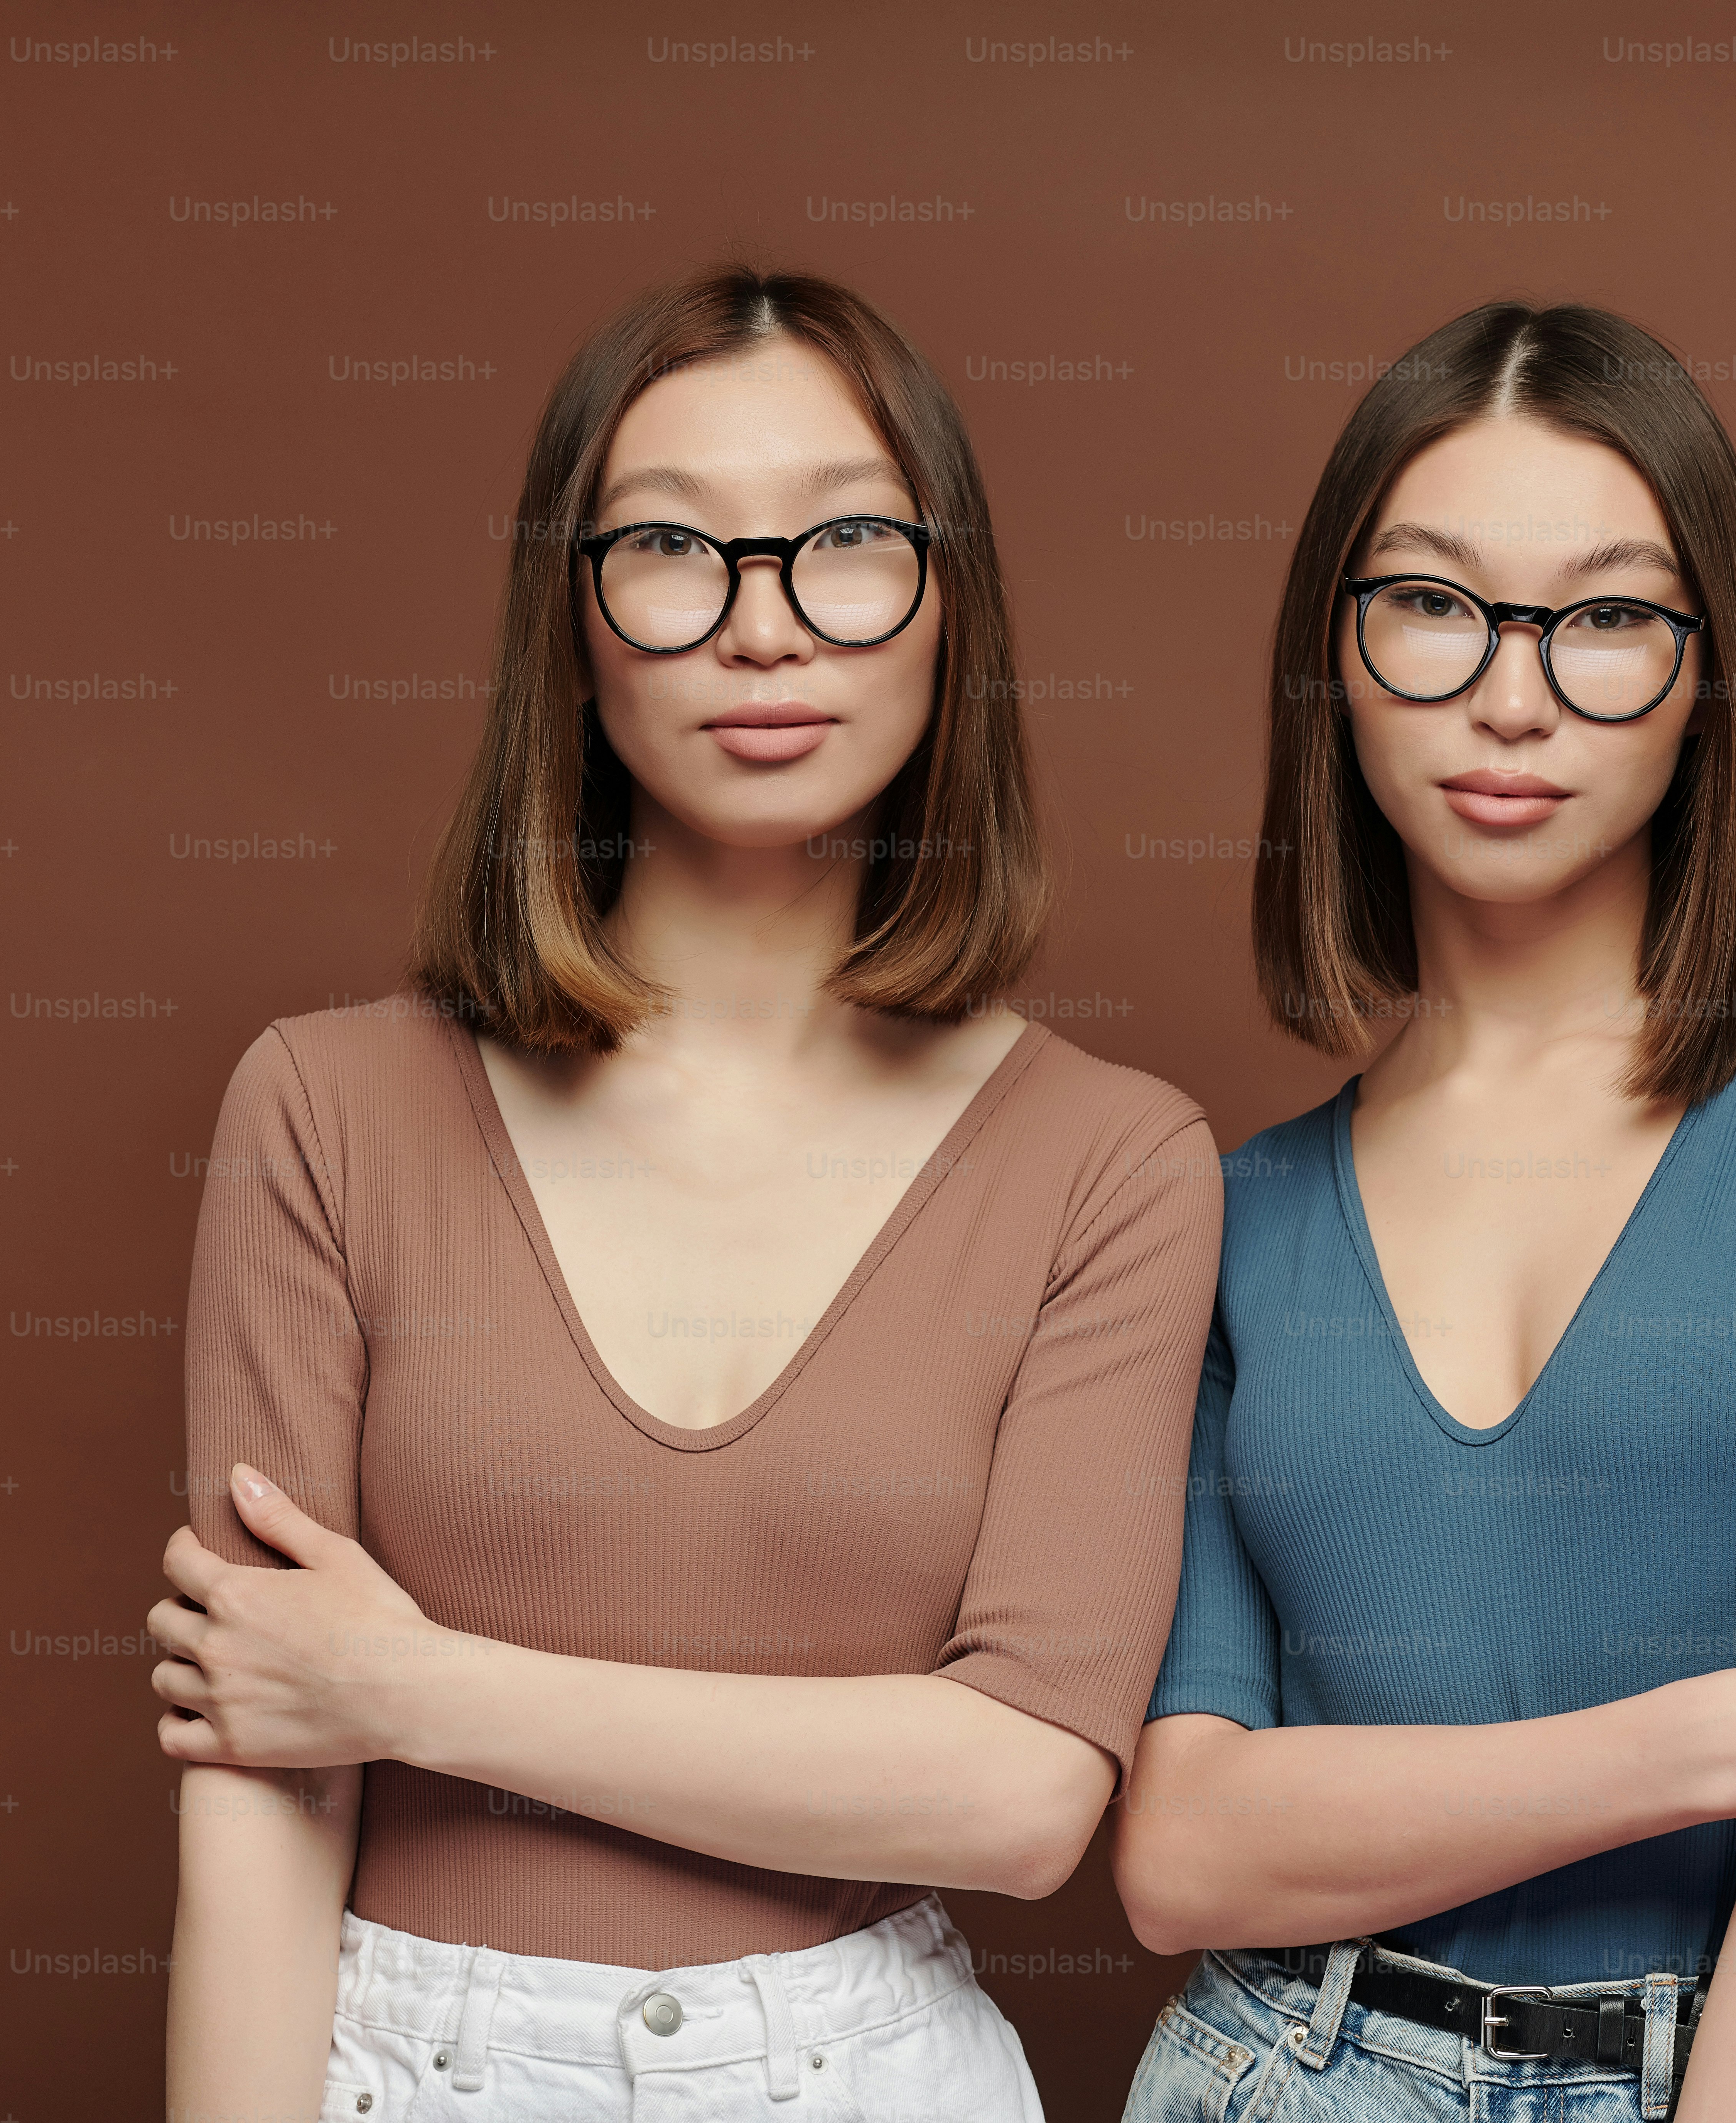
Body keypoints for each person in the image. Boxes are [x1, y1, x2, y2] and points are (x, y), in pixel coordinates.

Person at [145, 267, 1221, 2123]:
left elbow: (1024, 1792)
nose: (766, 626)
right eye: (670, 547)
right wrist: (329, 1697)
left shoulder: (1114, 1159)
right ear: (571, 628)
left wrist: (408, 1686)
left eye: (849, 541)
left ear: (951, 613)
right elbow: (261, 1764)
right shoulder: (323, 1106)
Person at [1112, 300, 1736, 2122]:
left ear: (1710, 675)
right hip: (1276, 2069)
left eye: (1608, 616)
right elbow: (1186, 1849)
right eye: (1433, 601)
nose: (1514, 693)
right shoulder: (1229, 1214)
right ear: (1335, 656)